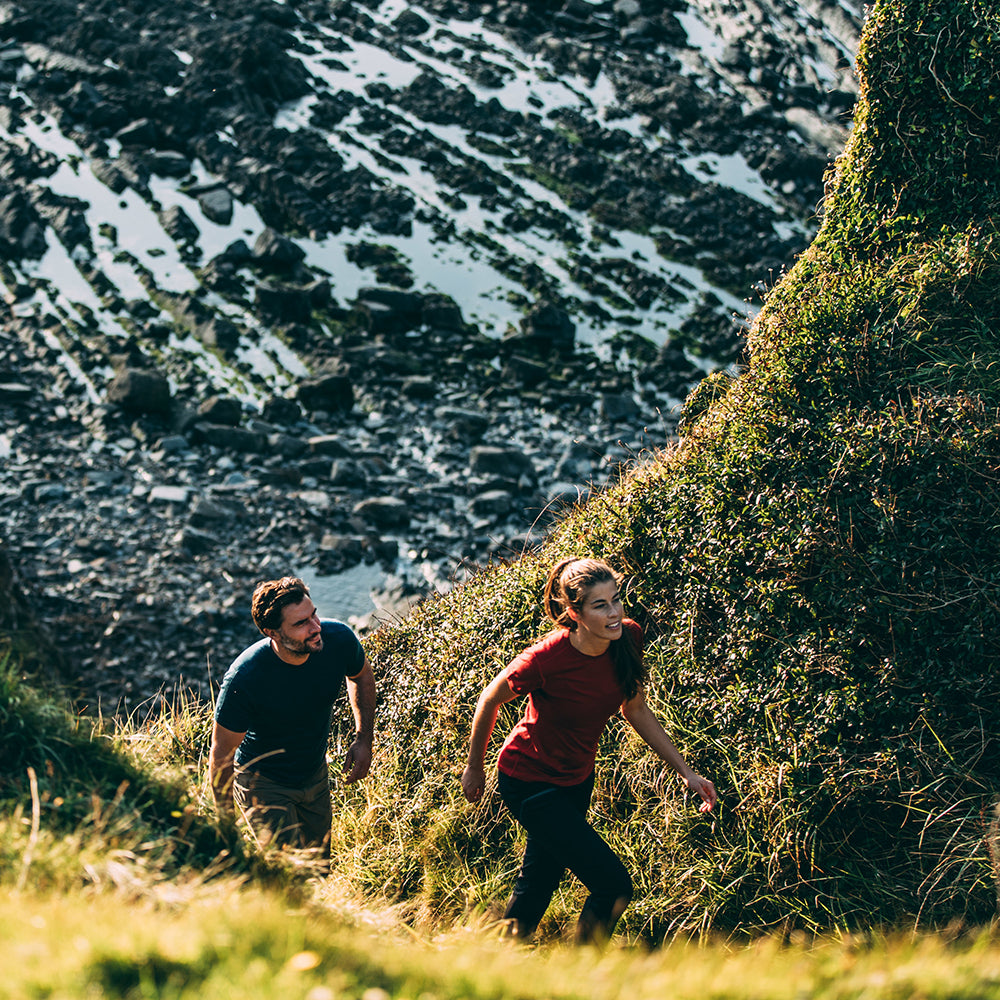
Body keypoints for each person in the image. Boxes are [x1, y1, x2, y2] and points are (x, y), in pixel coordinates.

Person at [461, 557, 717, 943]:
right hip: (527, 780)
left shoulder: (627, 638)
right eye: (600, 605)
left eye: (616, 600)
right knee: (612, 886)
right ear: (573, 612)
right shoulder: (546, 659)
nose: (614, 613)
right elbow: (489, 699)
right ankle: (581, 976)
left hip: (576, 779)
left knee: (540, 878)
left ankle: (495, 966)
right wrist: (474, 768)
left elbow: (635, 710)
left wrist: (687, 773)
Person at [209, 576, 376, 858]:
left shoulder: (337, 639)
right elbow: (221, 753)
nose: (315, 628)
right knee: (291, 870)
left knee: (319, 867)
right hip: (263, 783)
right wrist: (226, 826)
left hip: (314, 774)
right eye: (301, 624)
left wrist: (364, 739)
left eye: (313, 615)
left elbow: (361, 676)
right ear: (271, 632)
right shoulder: (246, 678)